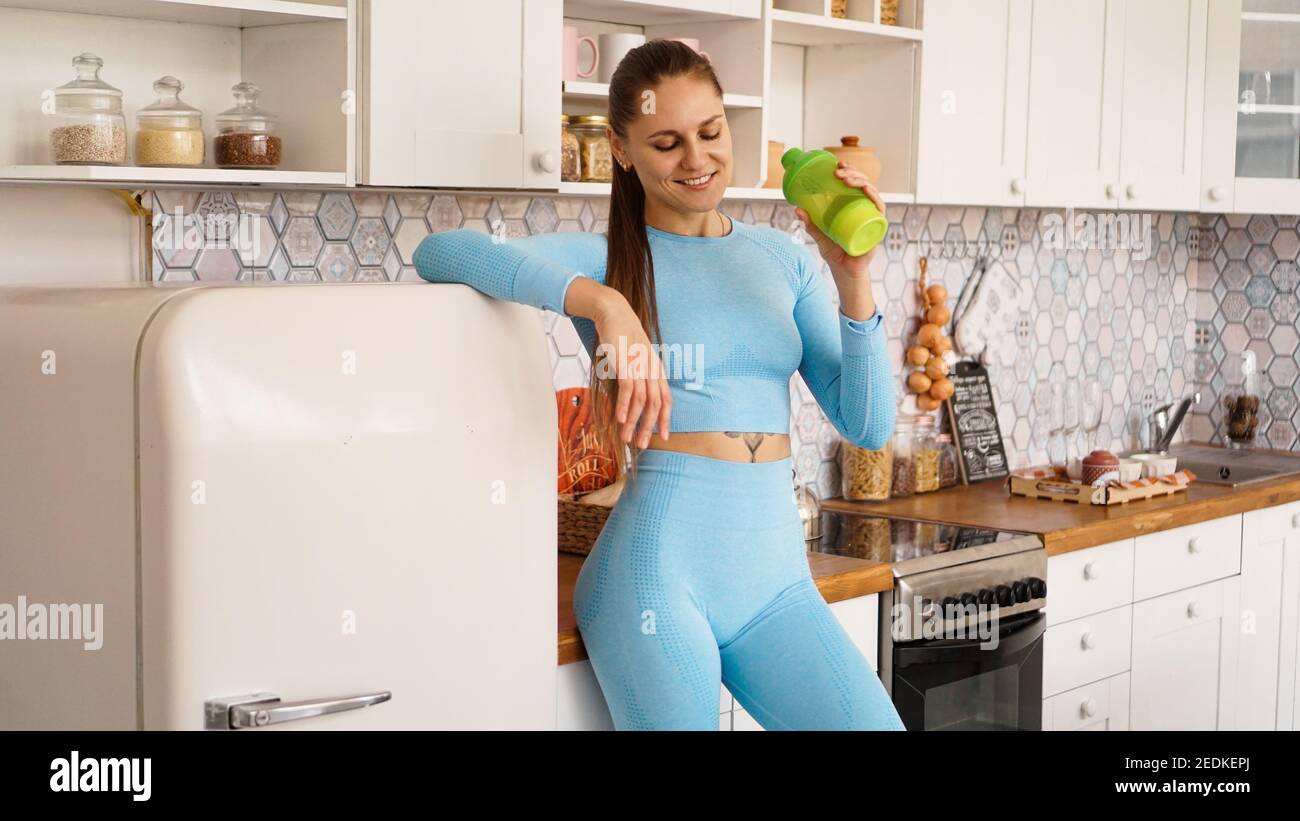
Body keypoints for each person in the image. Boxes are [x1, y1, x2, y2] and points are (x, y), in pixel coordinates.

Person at [414, 39, 903, 730]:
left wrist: (854, 277)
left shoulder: (780, 259)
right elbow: (441, 252)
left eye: (710, 133)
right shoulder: (608, 258)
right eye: (667, 143)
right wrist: (605, 303)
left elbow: (868, 423)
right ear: (621, 148)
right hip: (655, 577)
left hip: (776, 582)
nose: (697, 160)